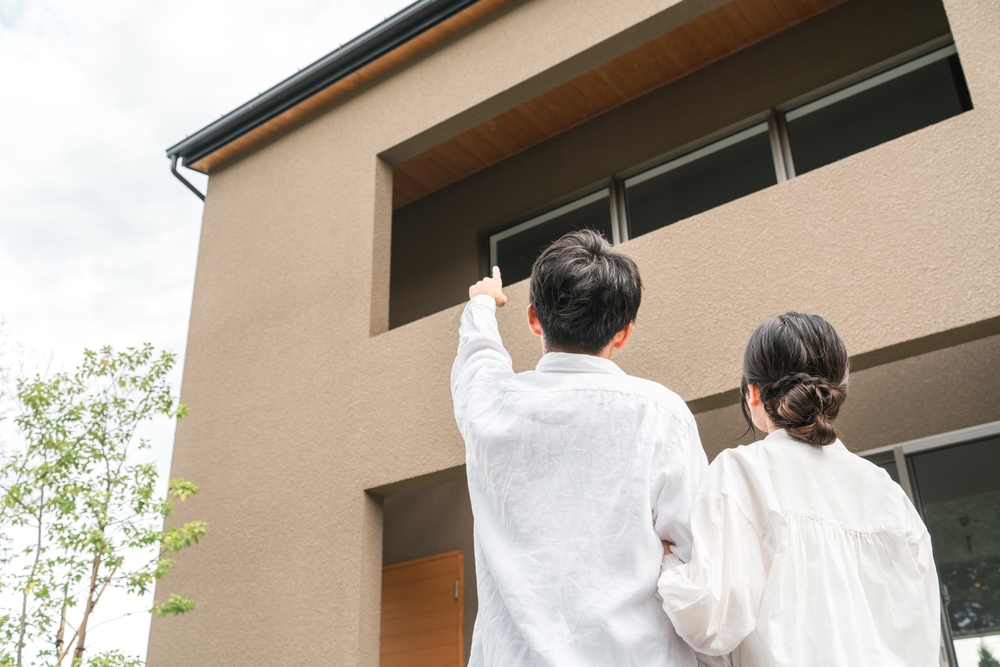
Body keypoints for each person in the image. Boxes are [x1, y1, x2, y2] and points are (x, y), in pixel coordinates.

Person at [452, 230, 708, 667]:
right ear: (623, 333)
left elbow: (478, 358)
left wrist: (482, 303)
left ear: (534, 319)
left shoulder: (491, 406)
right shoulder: (661, 413)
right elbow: (697, 559)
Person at [657, 312, 942, 667]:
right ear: (836, 392)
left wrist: (668, 564)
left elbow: (712, 622)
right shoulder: (889, 493)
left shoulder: (743, 471)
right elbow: (925, 631)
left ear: (753, 392)